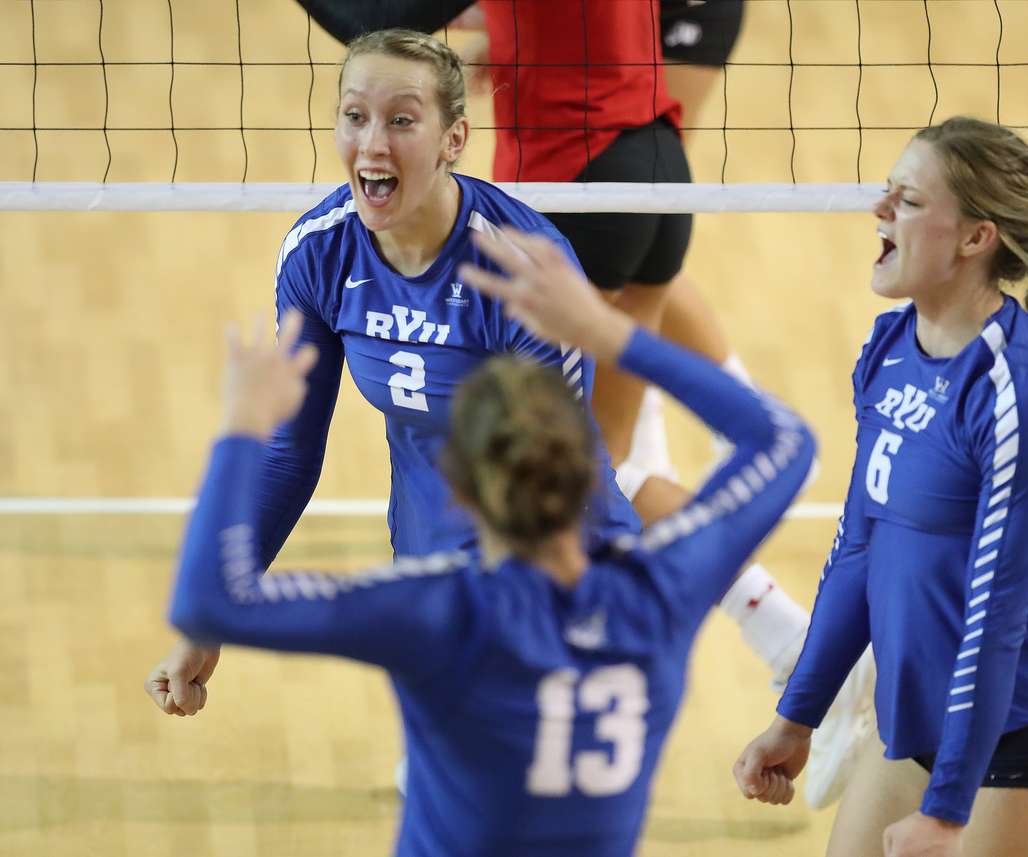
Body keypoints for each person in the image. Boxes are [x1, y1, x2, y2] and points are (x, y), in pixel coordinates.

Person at [163, 226, 816, 857]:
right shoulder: (662, 591)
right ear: (593, 469)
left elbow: (208, 602)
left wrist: (243, 425)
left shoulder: (439, 612)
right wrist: (607, 332)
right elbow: (786, 440)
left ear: (462, 495)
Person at [292, 0, 832, 759]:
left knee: (587, 470)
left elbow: (386, 15)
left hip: (571, 180)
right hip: (651, 161)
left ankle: (804, 654)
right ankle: (800, 646)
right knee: (610, 465)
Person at [144, 29, 638, 716]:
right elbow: (289, 452)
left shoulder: (519, 272)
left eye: (402, 120)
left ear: (453, 139)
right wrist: (210, 621)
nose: (373, 143)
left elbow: (562, 469)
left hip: (551, 550)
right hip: (425, 547)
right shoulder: (319, 255)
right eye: (355, 116)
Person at [733, 117, 1028, 857]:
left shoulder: (1022, 394)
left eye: (907, 200)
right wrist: (797, 717)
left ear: (976, 238)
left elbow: (996, 613)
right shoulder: (888, 349)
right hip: (919, 729)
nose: (879, 210)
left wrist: (946, 813)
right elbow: (859, 550)